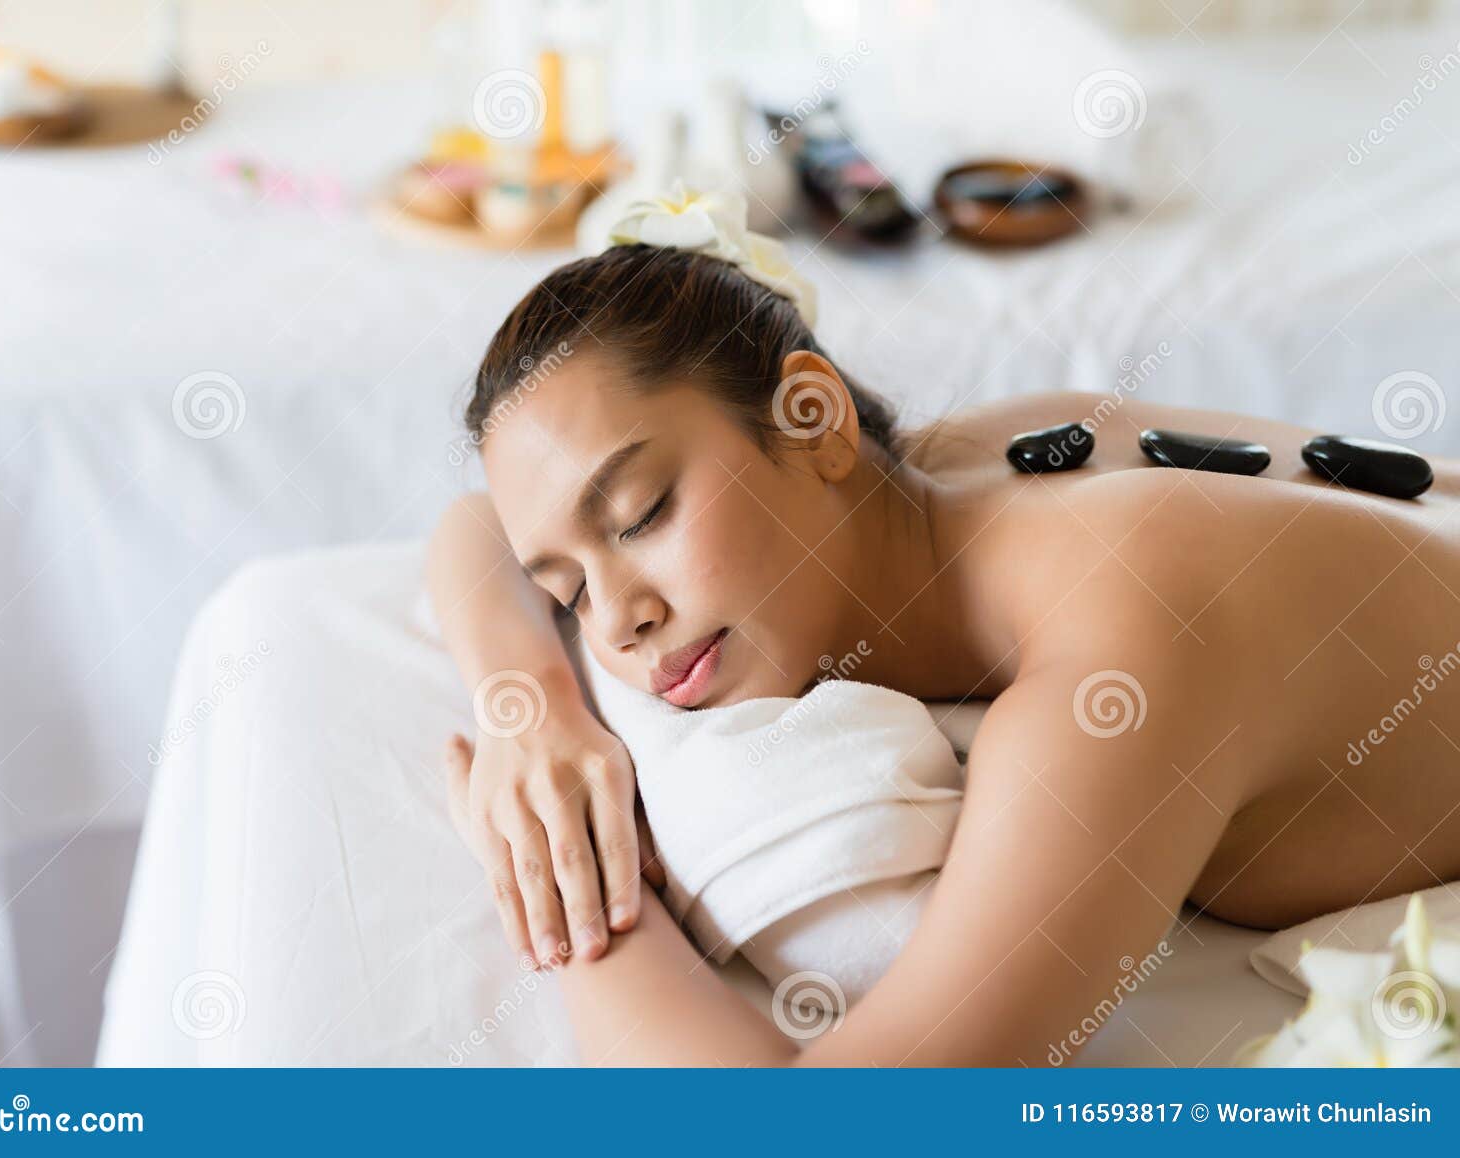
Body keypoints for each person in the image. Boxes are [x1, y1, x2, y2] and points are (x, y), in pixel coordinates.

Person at [424, 191, 1460, 1065]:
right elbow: (472, 529)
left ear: (814, 418)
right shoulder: (965, 463)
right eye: (566, 591)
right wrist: (533, 718)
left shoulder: (1115, 656)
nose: (617, 622)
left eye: (642, 515)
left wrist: (570, 887)